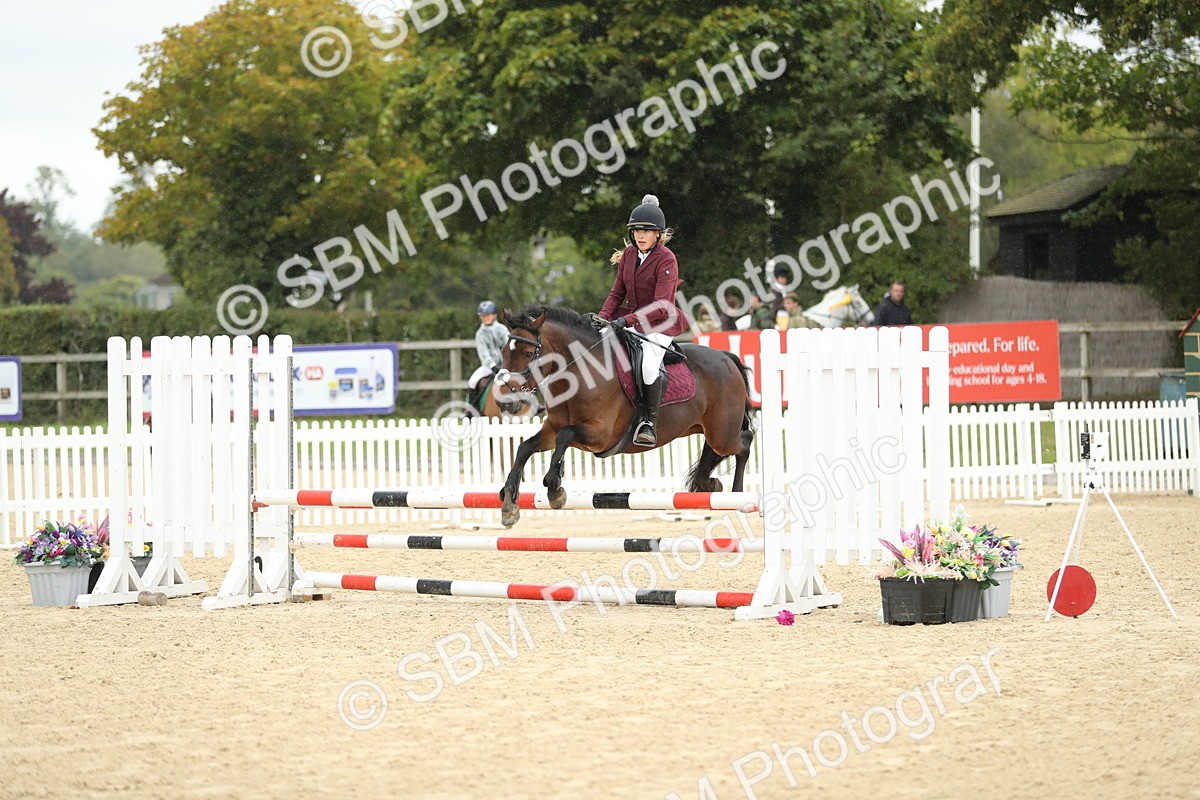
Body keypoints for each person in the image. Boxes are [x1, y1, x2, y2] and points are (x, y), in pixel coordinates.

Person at [598, 194, 690, 446]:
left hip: (661, 322)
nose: (640, 235)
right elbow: (617, 293)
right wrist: (602, 317)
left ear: (658, 235)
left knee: (648, 364)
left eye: (647, 231)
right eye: (637, 230)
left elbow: (661, 304)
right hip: (630, 318)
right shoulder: (629, 255)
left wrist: (625, 321)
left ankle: (649, 422)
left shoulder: (667, 259)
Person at [467, 300, 509, 410]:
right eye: (483, 316)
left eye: (488, 315)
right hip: (489, 367)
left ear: (494, 315)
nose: (486, 317)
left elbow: (509, 347)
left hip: (505, 365)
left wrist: (506, 363)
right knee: (472, 381)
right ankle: (472, 409)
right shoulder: (480, 334)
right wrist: (493, 366)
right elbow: (484, 354)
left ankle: (534, 404)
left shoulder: (502, 330)